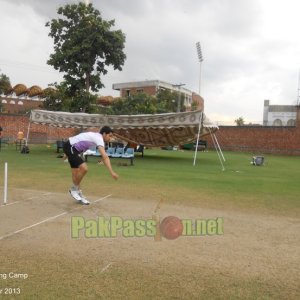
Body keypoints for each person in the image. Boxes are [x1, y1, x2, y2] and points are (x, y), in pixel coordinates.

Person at [63, 126, 119, 205]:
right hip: (71, 148)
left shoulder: (96, 137)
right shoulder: (99, 138)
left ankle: (78, 193)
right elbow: (105, 157)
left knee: (76, 173)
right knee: (84, 168)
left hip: (71, 148)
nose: (110, 138)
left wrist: (66, 153)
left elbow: (78, 138)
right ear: (104, 134)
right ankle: (73, 189)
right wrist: (112, 172)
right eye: (109, 135)